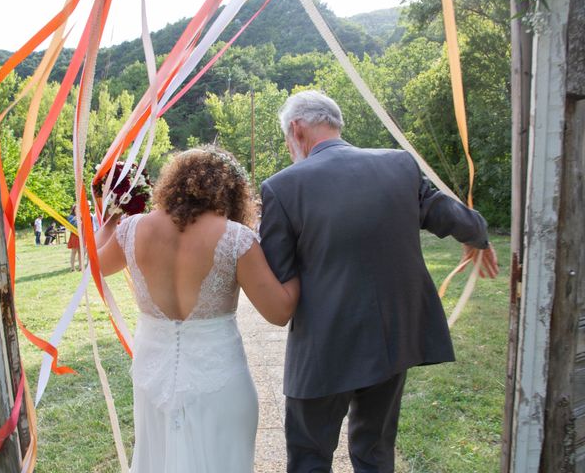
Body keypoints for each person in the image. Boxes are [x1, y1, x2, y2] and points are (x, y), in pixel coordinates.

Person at [259, 90, 499, 473]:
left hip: (324, 347)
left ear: (296, 129)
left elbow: (277, 275)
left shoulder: (282, 187)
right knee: (374, 452)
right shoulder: (398, 164)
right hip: (391, 342)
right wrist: (479, 236)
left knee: (309, 456)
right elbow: (443, 211)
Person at [96, 147, 300, 473]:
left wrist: (109, 214)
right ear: (231, 191)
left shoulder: (132, 229)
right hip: (219, 378)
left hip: (153, 379)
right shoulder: (235, 238)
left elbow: (95, 267)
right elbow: (279, 312)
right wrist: (301, 263)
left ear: (173, 182)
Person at [67, 206, 80, 271]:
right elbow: (70, 225)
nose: (78, 210)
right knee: (74, 251)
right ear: (74, 209)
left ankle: (81, 267)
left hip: (81, 235)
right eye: (76, 208)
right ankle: (72, 268)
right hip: (74, 235)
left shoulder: (82, 215)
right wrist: (75, 219)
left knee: (80, 251)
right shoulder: (70, 217)